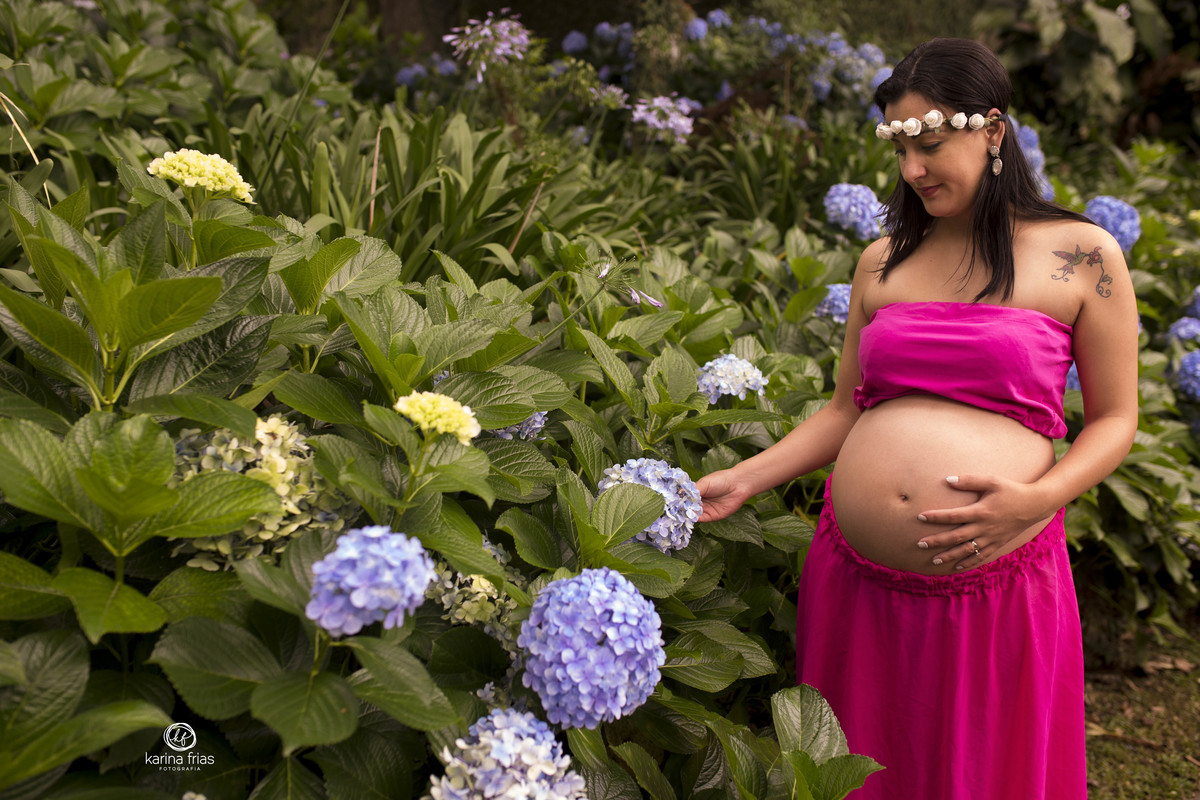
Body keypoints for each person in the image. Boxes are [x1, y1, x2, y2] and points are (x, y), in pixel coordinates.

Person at [696, 38, 1139, 799]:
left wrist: (1037, 500)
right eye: (900, 148)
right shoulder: (883, 260)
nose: (910, 169)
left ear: (992, 131)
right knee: (856, 770)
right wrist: (744, 479)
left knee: (979, 769)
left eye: (929, 145)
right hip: (855, 585)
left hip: (995, 583)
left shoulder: (1081, 256)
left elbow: (1116, 419)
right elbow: (846, 411)